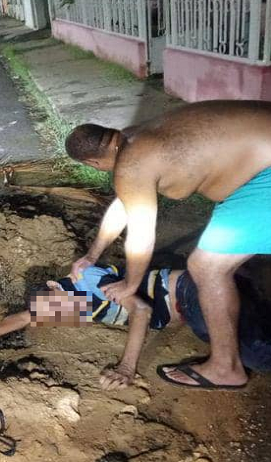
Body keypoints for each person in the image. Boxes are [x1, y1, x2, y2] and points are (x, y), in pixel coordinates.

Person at [64, 100, 271, 389]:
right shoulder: (134, 138)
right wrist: (92, 254)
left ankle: (226, 369)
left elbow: (142, 235)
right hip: (260, 165)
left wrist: (130, 285)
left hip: (265, 178)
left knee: (206, 267)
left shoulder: (132, 164)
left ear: (93, 164)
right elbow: (125, 204)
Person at [0, 265, 271, 390]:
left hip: (192, 290)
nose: (53, 311)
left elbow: (142, 310)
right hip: (190, 307)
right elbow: (23, 317)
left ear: (54, 284)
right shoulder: (70, 305)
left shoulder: (85, 279)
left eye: (52, 299)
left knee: (255, 355)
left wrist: (127, 367)